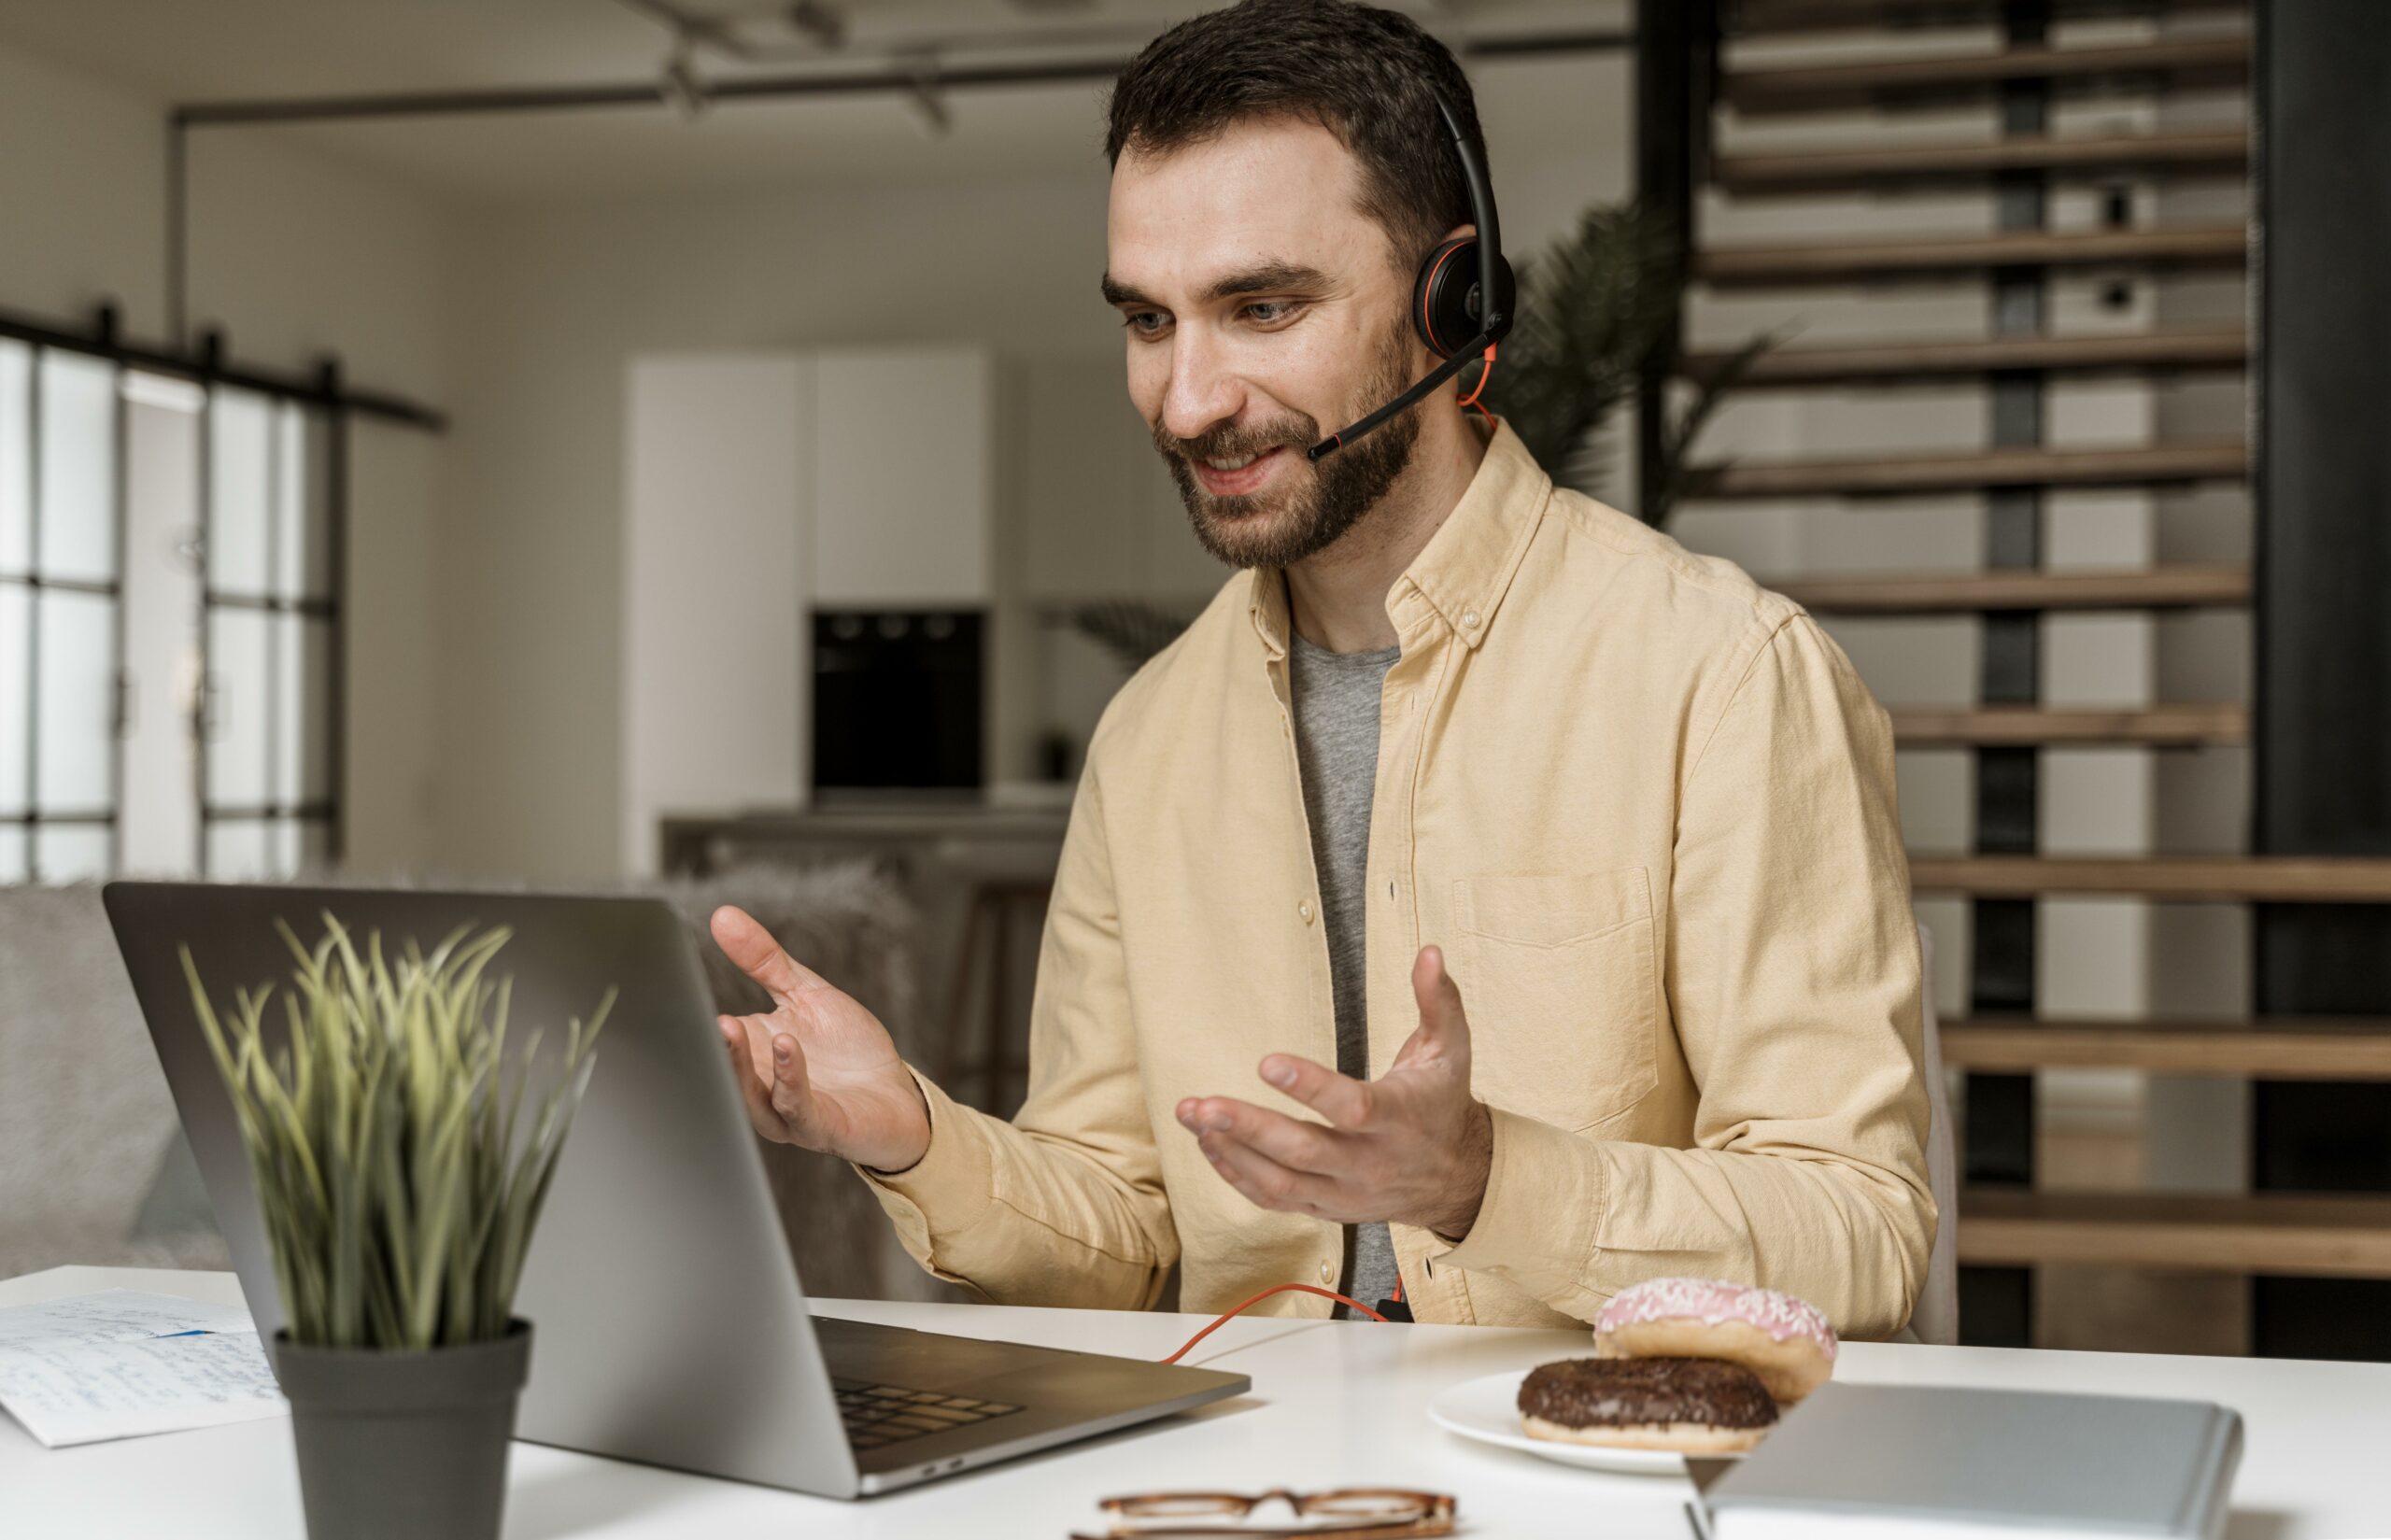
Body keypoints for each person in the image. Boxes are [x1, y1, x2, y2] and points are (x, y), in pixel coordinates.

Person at [712, 0, 1934, 1337]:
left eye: (1261, 307)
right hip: (1249, 1479)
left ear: (1450, 299)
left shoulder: (1725, 678)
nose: (1188, 399)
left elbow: (1861, 1231)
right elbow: (1124, 1242)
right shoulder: (1151, 736)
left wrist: (1482, 1181)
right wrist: (912, 1136)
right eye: (1149, 320)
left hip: (1598, 1469)